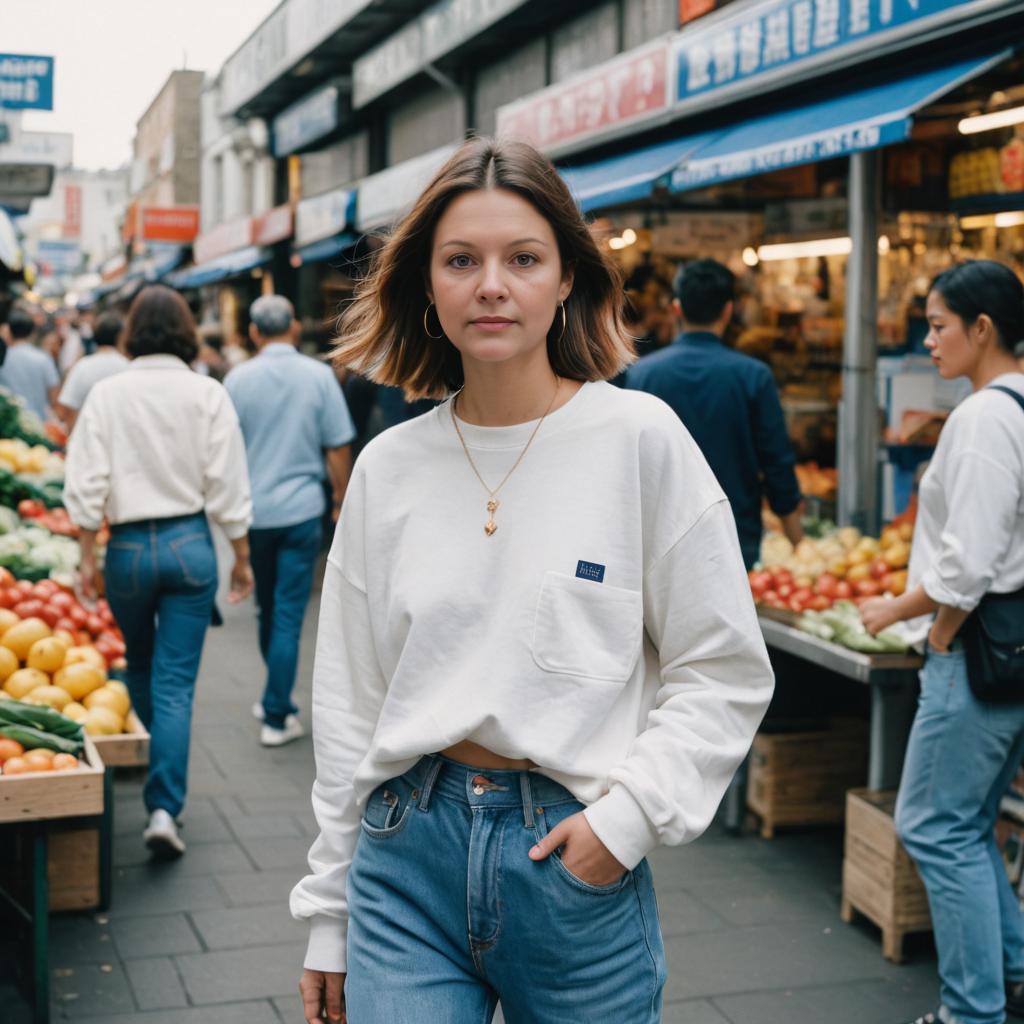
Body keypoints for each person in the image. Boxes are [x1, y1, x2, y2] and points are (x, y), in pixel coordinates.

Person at [291, 137, 774, 1024]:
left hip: (571, 863)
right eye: (461, 260)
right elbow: (349, 704)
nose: (491, 285)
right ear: (427, 288)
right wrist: (329, 910)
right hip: (405, 861)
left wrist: (622, 826)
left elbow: (723, 669)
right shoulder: (389, 467)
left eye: (523, 259)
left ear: (565, 281)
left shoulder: (639, 439)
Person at [859, 260, 1024, 1024]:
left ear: (982, 328)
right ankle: (1012, 974)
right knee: (968, 825)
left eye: (937, 324)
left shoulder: (988, 417)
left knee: (932, 825)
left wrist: (910, 622)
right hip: (1009, 652)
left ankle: (972, 1012)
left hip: (979, 652)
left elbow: (969, 563)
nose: (927, 341)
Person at [64, 285, 254, 860]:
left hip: (126, 549)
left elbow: (85, 482)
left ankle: (155, 773)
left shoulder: (106, 394)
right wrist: (241, 556)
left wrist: (85, 557)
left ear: (130, 335)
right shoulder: (207, 393)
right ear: (185, 333)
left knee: (141, 664)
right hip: (188, 544)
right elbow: (227, 484)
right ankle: (165, 808)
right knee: (175, 684)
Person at [225, 295, 356, 747]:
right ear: (295, 329)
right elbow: (337, 445)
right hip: (302, 511)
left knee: (267, 608)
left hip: (252, 514)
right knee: (287, 614)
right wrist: (342, 497)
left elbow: (224, 449)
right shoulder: (319, 376)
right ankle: (277, 712)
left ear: (256, 333)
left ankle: (274, 699)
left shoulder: (237, 379)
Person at [624, 259, 803, 570]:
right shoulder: (753, 376)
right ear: (728, 311)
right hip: (734, 534)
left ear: (676, 309)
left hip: (657, 534)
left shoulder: (643, 374)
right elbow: (777, 463)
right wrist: (795, 538)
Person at [55, 311, 129, 431]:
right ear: (121, 337)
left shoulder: (82, 366)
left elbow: (68, 409)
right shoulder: (127, 367)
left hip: (87, 438)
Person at [0, 304, 59, 421]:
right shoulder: (43, 358)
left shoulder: (3, 357)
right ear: (32, 333)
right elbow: (54, 394)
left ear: (9, 331)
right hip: (38, 423)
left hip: (7, 422)